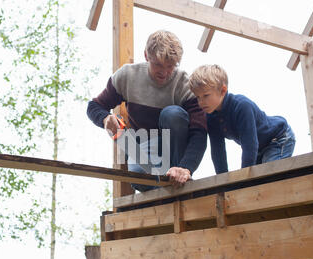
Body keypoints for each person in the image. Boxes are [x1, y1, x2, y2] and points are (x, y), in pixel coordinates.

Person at [87, 30, 207, 191]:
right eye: (158, 64)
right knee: (137, 176)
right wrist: (105, 118)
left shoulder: (184, 83)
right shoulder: (127, 76)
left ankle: (179, 176)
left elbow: (199, 132)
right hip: (147, 145)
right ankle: (165, 184)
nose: (164, 72)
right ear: (146, 56)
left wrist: (186, 167)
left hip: (175, 146)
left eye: (170, 66)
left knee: (173, 114)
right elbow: (94, 106)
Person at [188, 64, 295, 174]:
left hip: (277, 138)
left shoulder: (242, 106)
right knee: (256, 181)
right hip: (259, 148)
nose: (201, 102)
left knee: (268, 176)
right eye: (198, 97)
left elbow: (249, 146)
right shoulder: (210, 116)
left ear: (223, 91)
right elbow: (217, 150)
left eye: (206, 95)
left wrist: (243, 179)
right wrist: (222, 179)